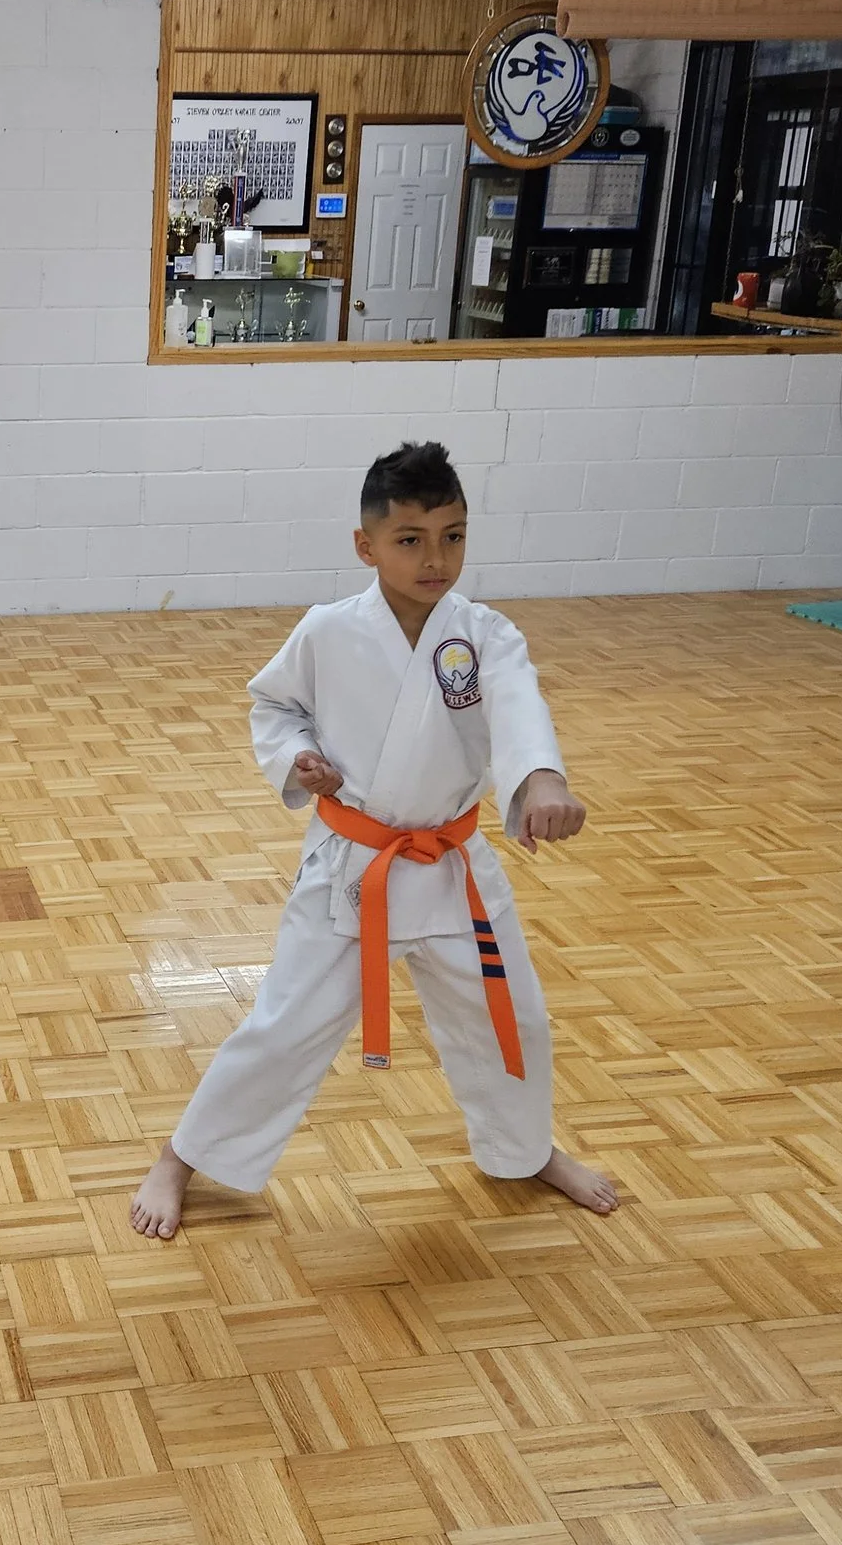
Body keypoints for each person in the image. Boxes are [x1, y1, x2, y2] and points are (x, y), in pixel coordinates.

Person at [131, 440, 617, 1240]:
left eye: (453, 535)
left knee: (513, 1018)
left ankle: (526, 1149)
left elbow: (520, 710)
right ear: (365, 545)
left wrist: (542, 782)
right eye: (411, 539)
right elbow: (274, 708)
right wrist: (299, 758)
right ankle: (179, 1157)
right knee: (286, 1024)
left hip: (455, 867)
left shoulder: (485, 634)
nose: (436, 558)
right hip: (355, 869)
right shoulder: (328, 631)